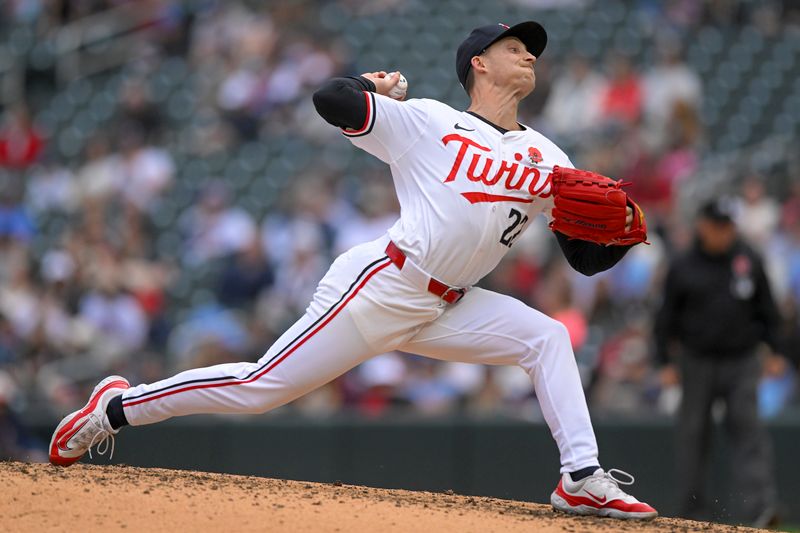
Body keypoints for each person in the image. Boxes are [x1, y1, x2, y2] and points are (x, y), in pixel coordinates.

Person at [49, 21, 657, 520]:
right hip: (381, 285)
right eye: (514, 47)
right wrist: (368, 83)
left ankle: (581, 477)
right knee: (260, 389)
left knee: (547, 337)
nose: (529, 56)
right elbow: (329, 100)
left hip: (449, 306)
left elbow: (582, 258)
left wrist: (625, 232)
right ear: (478, 62)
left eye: (532, 51)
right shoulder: (429, 121)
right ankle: (116, 407)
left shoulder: (549, 158)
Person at [654, 198, 782, 526]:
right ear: (703, 226)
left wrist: (777, 350)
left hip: (742, 360)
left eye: (728, 226)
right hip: (697, 361)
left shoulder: (748, 258)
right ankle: (692, 514)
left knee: (749, 434)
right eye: (718, 226)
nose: (724, 233)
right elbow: (665, 318)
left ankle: (759, 512)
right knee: (693, 436)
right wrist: (665, 362)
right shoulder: (683, 265)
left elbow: (768, 310)